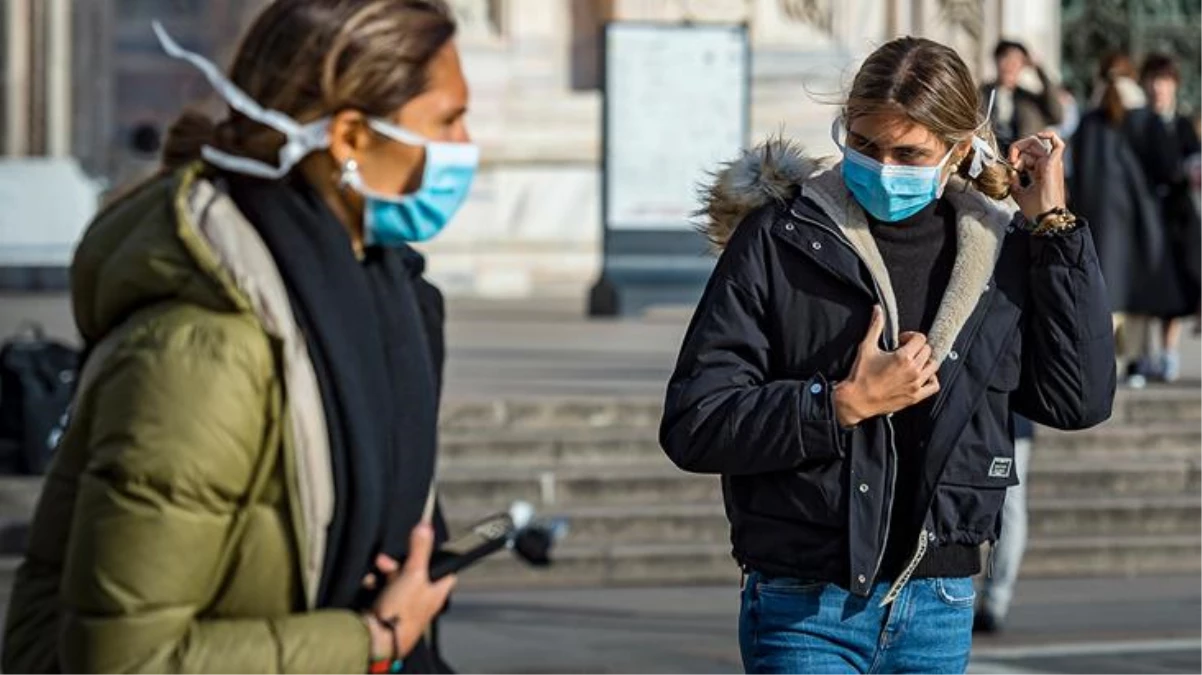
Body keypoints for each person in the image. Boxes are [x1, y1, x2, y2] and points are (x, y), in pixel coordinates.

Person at [3, 1, 474, 673]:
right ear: (348, 138)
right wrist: (371, 640)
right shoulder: (204, 352)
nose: (466, 147)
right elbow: (126, 658)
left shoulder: (389, 297)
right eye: (448, 120)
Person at [661, 36, 1115, 673]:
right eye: (865, 145)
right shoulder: (782, 237)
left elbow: (1078, 399)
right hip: (804, 602)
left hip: (939, 600)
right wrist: (839, 405)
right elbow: (695, 420)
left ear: (959, 150)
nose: (882, 167)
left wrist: (1054, 227)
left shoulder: (998, 253)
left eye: (909, 154)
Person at [1069, 52, 1167, 388]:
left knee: (1106, 291)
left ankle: (1105, 363)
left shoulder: (1088, 120)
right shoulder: (1143, 117)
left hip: (1098, 216)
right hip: (1138, 216)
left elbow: (1075, 169)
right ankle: (1137, 362)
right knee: (1136, 290)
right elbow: (1164, 163)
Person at [1127, 53, 1202, 382]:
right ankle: (1144, 355)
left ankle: (1169, 351)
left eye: (1165, 81)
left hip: (1178, 217)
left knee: (1178, 282)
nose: (1159, 88)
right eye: (1154, 81)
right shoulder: (1138, 124)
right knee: (1145, 285)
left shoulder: (1183, 124)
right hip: (1146, 214)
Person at [982, 40, 1064, 152]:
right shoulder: (981, 94)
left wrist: (1039, 69)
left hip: (1024, 163)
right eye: (1006, 58)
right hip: (987, 163)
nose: (1011, 65)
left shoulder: (1029, 101)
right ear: (996, 60)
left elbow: (1057, 115)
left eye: (1017, 60)